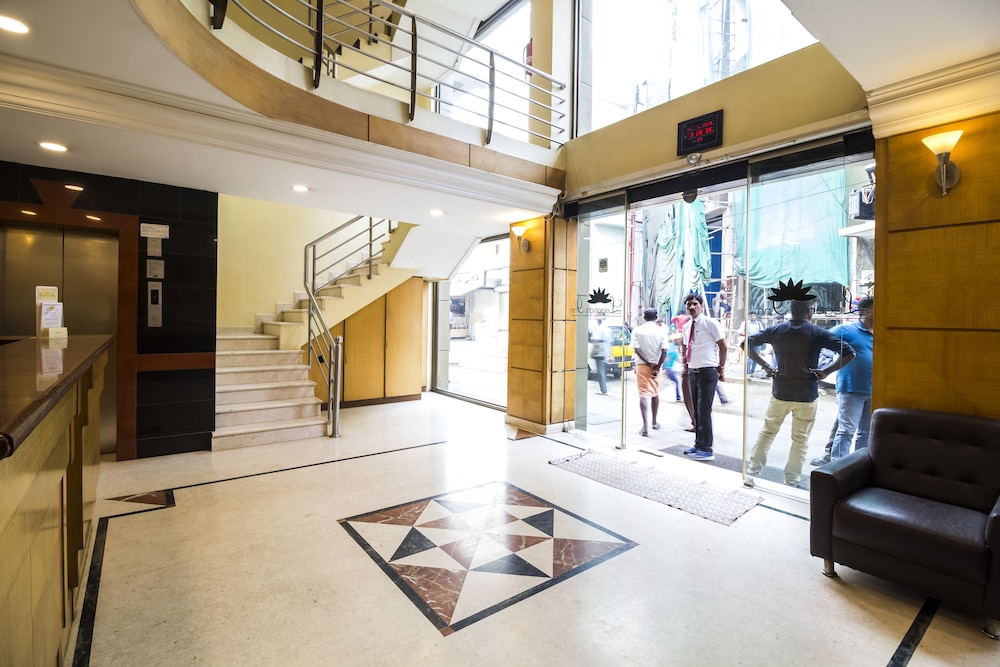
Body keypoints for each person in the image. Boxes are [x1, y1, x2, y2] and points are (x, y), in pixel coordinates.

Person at [744, 280, 856, 486]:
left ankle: (753, 470)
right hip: (806, 394)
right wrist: (826, 371)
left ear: (792, 310)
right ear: (808, 311)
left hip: (780, 391)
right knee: (800, 440)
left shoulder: (777, 330)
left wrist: (766, 366)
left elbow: (746, 343)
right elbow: (850, 352)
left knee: (768, 432)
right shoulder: (818, 333)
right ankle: (792, 480)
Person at [680, 293, 727, 461]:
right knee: (696, 411)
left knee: (704, 410)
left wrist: (721, 368)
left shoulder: (710, 323)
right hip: (693, 371)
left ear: (700, 306)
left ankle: (707, 449)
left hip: (708, 371)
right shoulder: (686, 326)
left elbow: (723, 346)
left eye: (695, 304)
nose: (692, 307)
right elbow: (685, 347)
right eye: (689, 304)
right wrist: (686, 366)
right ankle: (698, 444)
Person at [828, 296, 874, 460]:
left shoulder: (882, 332)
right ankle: (837, 464)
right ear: (866, 312)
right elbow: (820, 339)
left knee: (866, 432)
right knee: (846, 431)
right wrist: (824, 368)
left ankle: (859, 463)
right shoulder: (844, 331)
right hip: (851, 389)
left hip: (874, 391)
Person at [631, 308, 668, 437]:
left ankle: (645, 427)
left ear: (644, 317)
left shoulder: (637, 330)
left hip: (642, 365)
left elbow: (637, 349)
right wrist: (657, 367)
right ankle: (654, 422)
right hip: (656, 366)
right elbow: (664, 351)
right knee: (655, 393)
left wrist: (647, 362)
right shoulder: (662, 331)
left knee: (643, 394)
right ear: (656, 317)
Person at [590, 318, 612, 395]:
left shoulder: (598, 329)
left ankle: (603, 390)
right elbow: (611, 342)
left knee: (600, 371)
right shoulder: (608, 329)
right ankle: (603, 389)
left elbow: (596, 340)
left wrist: (592, 351)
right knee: (602, 371)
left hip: (600, 352)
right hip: (606, 351)